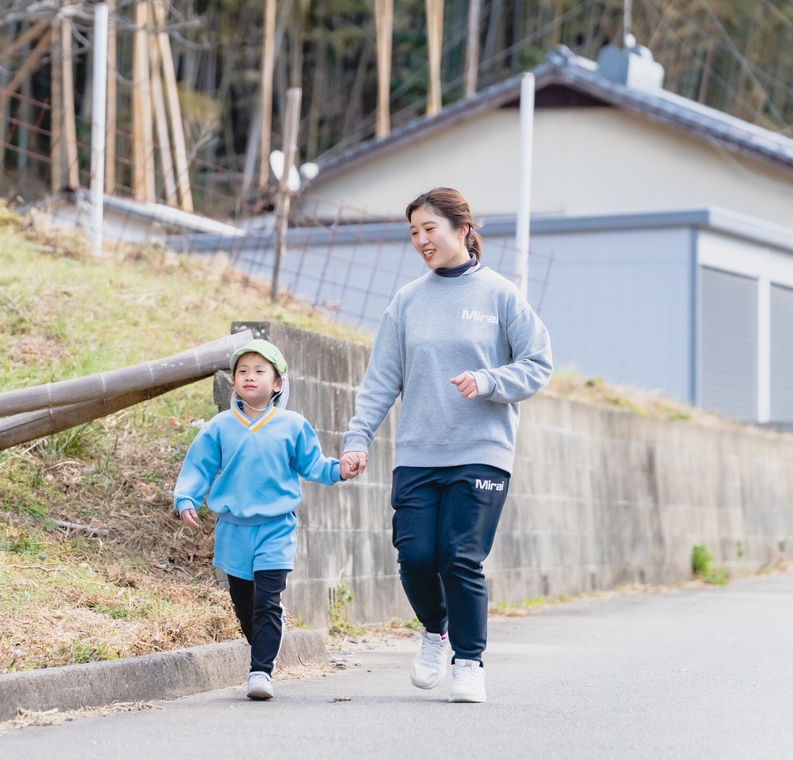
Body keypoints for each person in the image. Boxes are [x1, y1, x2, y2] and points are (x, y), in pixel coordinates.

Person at [339, 187, 552, 703]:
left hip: (482, 450)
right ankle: (435, 630)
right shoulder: (407, 301)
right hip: (418, 452)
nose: (420, 241)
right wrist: (357, 437)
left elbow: (538, 365)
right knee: (414, 556)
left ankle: (470, 661)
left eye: (429, 229)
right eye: (413, 232)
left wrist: (489, 381)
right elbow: (381, 378)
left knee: (458, 557)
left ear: (462, 229)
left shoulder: (500, 295)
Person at [174, 338, 347, 701]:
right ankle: (267, 638)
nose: (249, 377)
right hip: (233, 529)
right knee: (244, 603)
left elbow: (313, 465)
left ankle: (261, 671)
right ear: (233, 381)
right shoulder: (219, 427)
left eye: (259, 371)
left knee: (267, 599)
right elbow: (199, 467)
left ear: (278, 383)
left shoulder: (293, 425)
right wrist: (186, 497)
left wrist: (339, 470)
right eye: (242, 372)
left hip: (276, 528)